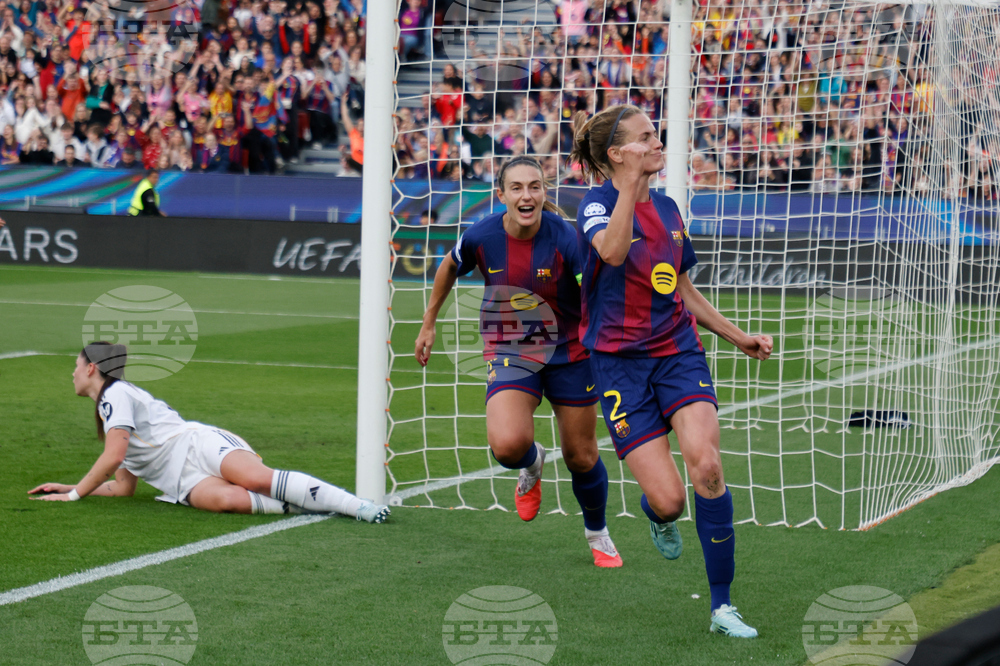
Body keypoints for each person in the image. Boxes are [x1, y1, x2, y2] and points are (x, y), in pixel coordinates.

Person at [568, 105, 774, 636]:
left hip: (678, 353)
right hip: (617, 367)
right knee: (670, 499)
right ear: (617, 154)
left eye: (656, 136)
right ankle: (657, 513)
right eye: (646, 138)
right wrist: (629, 189)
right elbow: (611, 253)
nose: (658, 143)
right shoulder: (594, 205)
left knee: (706, 467)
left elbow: (682, 290)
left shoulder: (670, 209)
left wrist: (738, 336)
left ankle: (722, 606)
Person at [414, 155, 622, 569]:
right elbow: (449, 266)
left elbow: (594, 292)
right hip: (512, 348)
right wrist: (428, 322)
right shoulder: (482, 235)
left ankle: (597, 533)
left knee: (581, 454)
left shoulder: (567, 238)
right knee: (508, 446)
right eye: (517, 187)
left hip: (571, 351)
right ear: (502, 194)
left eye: (535, 186)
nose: (526, 195)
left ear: (544, 193)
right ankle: (532, 461)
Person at [29, 342, 390, 523]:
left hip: (197, 445)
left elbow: (114, 456)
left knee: (256, 478)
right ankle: (312, 505)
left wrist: (74, 496)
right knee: (228, 501)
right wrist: (70, 486)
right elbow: (123, 486)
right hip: (181, 480)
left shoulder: (116, 395)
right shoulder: (111, 406)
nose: (72, 373)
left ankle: (355, 505)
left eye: (75, 366)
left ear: (91, 368)